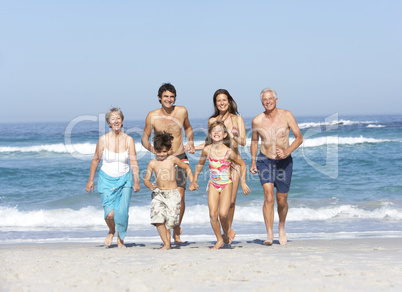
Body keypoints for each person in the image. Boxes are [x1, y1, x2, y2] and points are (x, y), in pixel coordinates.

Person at [141, 83, 195, 245]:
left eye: (171, 97)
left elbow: (188, 128)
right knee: (164, 195)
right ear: (159, 98)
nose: (169, 99)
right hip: (162, 160)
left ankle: (176, 228)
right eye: (165, 96)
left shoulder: (182, 111)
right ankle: (168, 228)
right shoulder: (152, 116)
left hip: (179, 155)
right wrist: (153, 150)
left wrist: (191, 140)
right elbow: (144, 137)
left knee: (180, 194)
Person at [249, 88, 303, 245]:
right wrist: (253, 161)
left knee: (281, 200)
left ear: (276, 100)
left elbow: (299, 138)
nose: (267, 101)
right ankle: (269, 234)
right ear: (262, 102)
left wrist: (287, 152)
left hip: (284, 162)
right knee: (268, 196)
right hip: (264, 160)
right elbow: (254, 141)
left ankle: (281, 227)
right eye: (264, 100)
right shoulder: (257, 120)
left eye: (270, 99)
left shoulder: (287, 115)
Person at [190, 121, 250, 249]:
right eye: (214, 130)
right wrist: (194, 180)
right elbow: (200, 164)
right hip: (212, 184)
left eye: (219, 130)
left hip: (226, 184)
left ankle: (227, 229)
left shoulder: (228, 152)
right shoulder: (207, 150)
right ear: (210, 135)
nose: (216, 132)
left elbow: (242, 164)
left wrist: (243, 183)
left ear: (224, 135)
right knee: (212, 215)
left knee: (223, 214)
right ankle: (219, 240)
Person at [86, 107, 141, 248]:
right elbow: (95, 160)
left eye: (118, 118)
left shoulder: (129, 140)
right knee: (110, 215)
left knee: (122, 212)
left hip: (125, 180)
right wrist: (91, 180)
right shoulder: (103, 140)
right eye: (113, 119)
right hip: (106, 180)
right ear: (109, 123)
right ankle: (111, 230)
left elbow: (133, 162)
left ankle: (120, 239)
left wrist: (136, 181)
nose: (116, 121)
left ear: (122, 121)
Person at [194, 89, 247, 229]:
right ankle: (224, 231)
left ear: (229, 101)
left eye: (224, 100)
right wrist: (194, 148)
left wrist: (230, 134)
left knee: (231, 202)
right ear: (215, 103)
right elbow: (209, 143)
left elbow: (243, 142)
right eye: (219, 100)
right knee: (219, 202)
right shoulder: (212, 120)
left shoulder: (237, 119)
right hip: (218, 164)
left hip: (234, 162)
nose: (222, 103)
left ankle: (227, 229)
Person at [144, 131, 195, 250]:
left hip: (172, 194)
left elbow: (186, 167)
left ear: (169, 150)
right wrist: (149, 185)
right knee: (158, 219)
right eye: (159, 151)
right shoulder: (152, 163)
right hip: (159, 194)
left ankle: (176, 228)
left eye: (164, 151)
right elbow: (146, 179)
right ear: (154, 150)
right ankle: (166, 243)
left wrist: (193, 181)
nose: (161, 154)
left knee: (171, 222)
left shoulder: (172, 159)